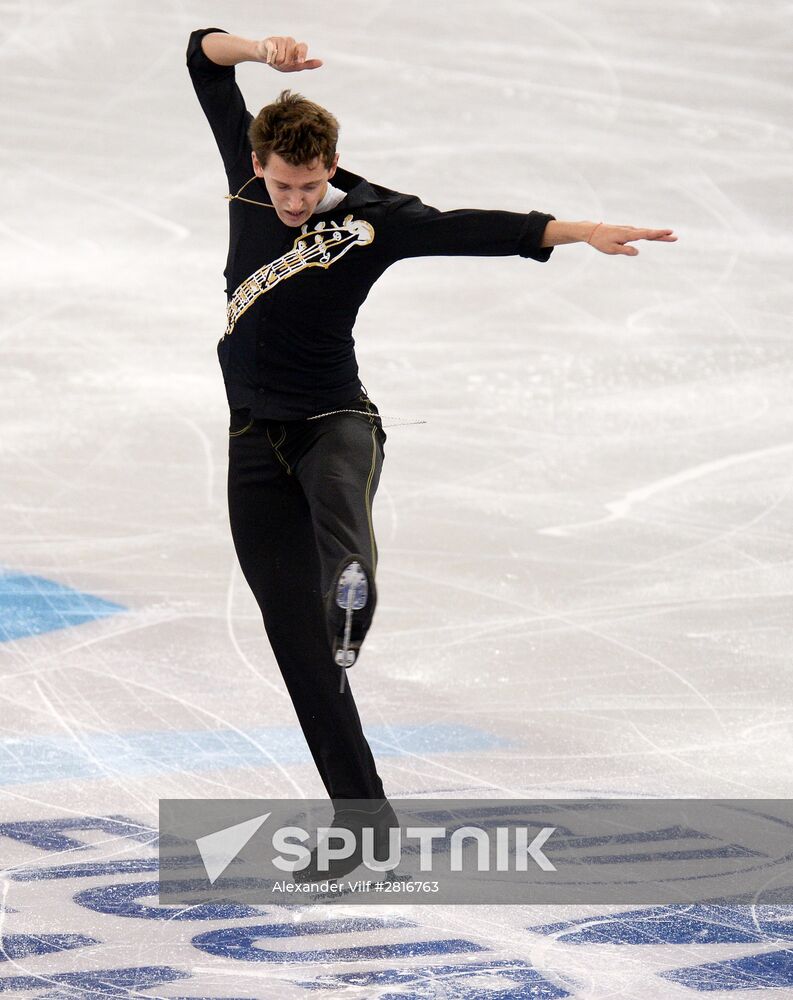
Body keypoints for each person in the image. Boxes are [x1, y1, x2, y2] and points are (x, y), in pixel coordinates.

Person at [185, 27, 676, 865]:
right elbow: (200, 55)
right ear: (260, 163)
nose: (294, 200)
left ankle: (353, 585)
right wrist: (259, 48)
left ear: (330, 165)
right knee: (297, 649)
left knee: (340, 509)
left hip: (336, 423)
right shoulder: (247, 176)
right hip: (248, 442)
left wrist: (578, 228)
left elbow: (468, 227)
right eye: (281, 184)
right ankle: (365, 820)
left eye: (308, 185)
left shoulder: (375, 219)